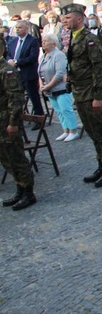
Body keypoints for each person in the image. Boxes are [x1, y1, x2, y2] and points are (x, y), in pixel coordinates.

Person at [60, 3, 102, 187]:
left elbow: (99, 69)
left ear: (78, 19)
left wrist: (98, 97)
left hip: (90, 93)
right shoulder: (73, 37)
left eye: (68, 18)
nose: (64, 20)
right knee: (92, 131)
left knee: (101, 131)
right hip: (80, 92)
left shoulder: (89, 39)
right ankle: (101, 164)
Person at [0, 35, 36, 210]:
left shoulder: (7, 71)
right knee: (6, 159)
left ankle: (28, 192)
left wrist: (13, 123)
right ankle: (19, 188)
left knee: (16, 157)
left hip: (7, 121)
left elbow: (16, 99)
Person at [39, 34, 80, 141]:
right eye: (43, 41)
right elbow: (39, 72)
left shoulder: (59, 55)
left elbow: (60, 73)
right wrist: (41, 85)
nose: (43, 43)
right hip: (49, 89)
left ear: (53, 43)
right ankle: (65, 130)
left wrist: (49, 85)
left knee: (65, 109)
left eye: (46, 41)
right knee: (59, 111)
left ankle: (73, 130)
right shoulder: (43, 56)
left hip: (60, 88)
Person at [5, 21, 44, 120]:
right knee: (17, 97)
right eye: (16, 28)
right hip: (15, 74)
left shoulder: (33, 40)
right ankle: (19, 117)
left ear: (26, 29)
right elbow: (8, 53)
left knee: (33, 97)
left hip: (28, 73)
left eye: (20, 27)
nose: (17, 29)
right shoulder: (13, 41)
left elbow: (33, 57)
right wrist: (10, 60)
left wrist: (17, 62)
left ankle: (39, 118)